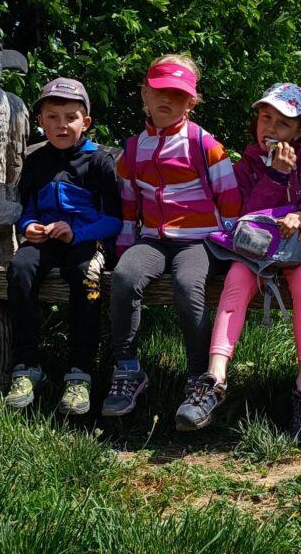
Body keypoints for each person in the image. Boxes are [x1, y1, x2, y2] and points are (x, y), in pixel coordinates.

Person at [174, 82, 301, 443]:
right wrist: (276, 176)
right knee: (235, 280)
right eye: (266, 118)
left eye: (283, 124)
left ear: (298, 132)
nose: (271, 128)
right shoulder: (247, 164)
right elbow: (242, 212)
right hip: (256, 252)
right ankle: (214, 380)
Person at [103, 54, 240, 421]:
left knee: (187, 284)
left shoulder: (204, 144)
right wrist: (123, 247)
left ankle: (199, 376)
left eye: (178, 96)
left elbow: (229, 199)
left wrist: (232, 252)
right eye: (159, 91)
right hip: (152, 240)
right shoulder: (132, 150)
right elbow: (130, 204)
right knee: (124, 278)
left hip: (200, 241)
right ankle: (128, 367)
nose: (167, 100)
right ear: (143, 94)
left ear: (191, 103)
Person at [4, 77, 121, 418]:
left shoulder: (99, 162)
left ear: (85, 122)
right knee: (20, 268)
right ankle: (27, 367)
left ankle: (79, 372)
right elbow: (27, 212)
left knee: (85, 274)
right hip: (48, 241)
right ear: (40, 122)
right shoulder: (37, 162)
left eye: (70, 117)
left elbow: (115, 220)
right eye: (52, 117)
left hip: (87, 241)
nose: (61, 125)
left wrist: (77, 233)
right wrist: (29, 227)